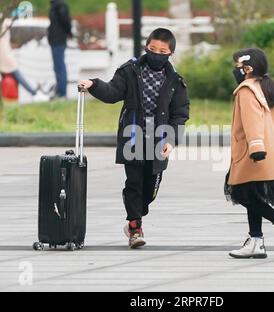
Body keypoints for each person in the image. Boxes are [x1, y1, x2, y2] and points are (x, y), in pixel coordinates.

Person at [78, 28, 190, 249]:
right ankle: (134, 226)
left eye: (162, 51)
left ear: (170, 53)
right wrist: (94, 84)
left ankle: (138, 213)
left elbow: (180, 114)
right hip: (133, 136)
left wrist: (171, 139)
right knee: (134, 183)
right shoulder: (130, 71)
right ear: (146, 48)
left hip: (159, 140)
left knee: (150, 189)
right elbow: (112, 92)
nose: (157, 54)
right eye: (152, 49)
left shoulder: (175, 80)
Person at [225, 48, 274, 259]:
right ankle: (256, 241)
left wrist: (256, 148)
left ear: (247, 69)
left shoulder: (246, 91)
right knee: (253, 195)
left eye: (237, 68)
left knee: (241, 193)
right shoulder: (265, 88)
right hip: (265, 153)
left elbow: (252, 123)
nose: (236, 72)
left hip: (252, 153)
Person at [47, 0, 72, 99]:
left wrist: (69, 32)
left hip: (58, 39)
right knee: (57, 66)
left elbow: (65, 20)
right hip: (55, 39)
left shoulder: (60, 5)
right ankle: (59, 91)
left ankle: (62, 93)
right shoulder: (56, 5)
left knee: (60, 66)